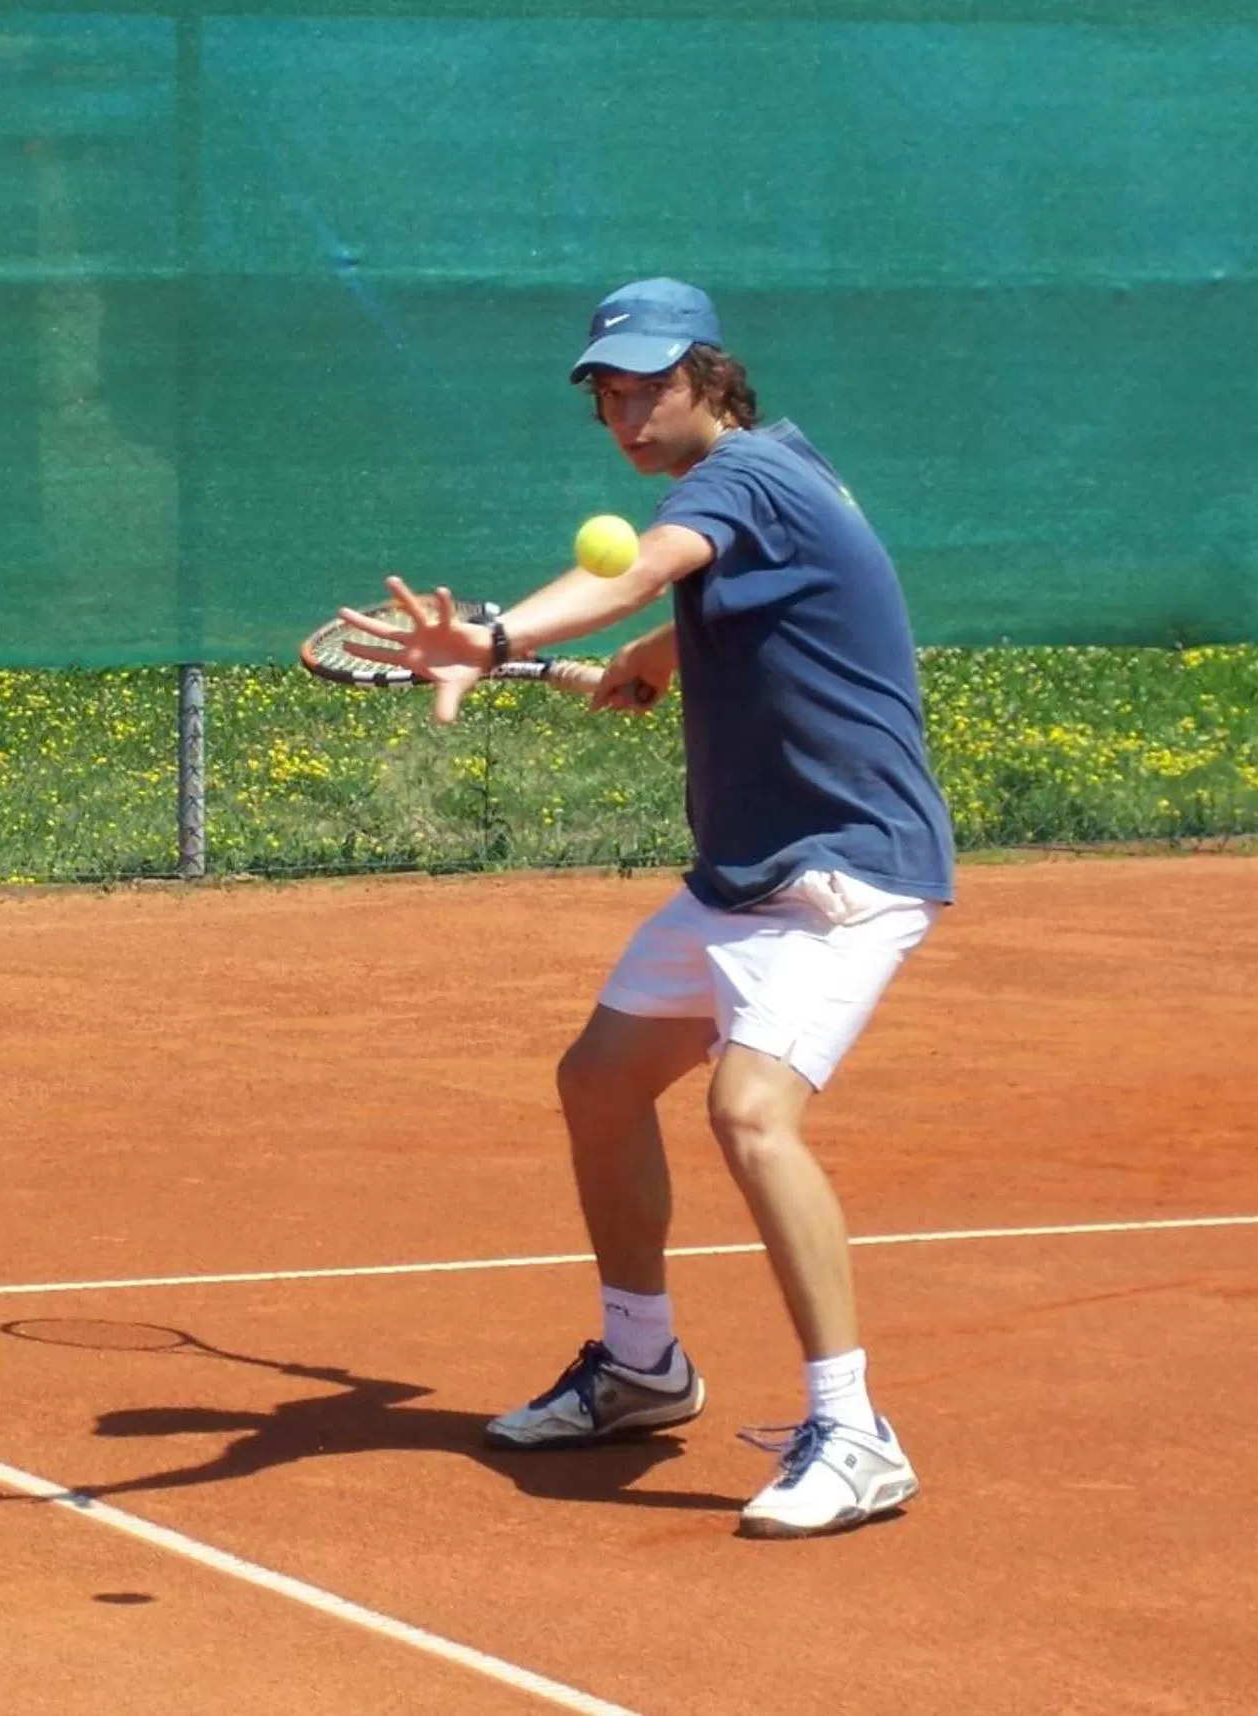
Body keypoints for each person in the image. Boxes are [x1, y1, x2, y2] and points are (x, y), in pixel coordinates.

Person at [335, 277, 955, 1539]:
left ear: (709, 380)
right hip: (743, 874)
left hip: (844, 872)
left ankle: (854, 1431)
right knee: (599, 1081)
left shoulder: (731, 483)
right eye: (605, 395)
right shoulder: (783, 473)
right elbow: (729, 592)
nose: (624, 413)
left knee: (750, 1112)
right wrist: (659, 664)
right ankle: (640, 1368)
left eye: (647, 386)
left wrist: (497, 639)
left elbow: (644, 569)